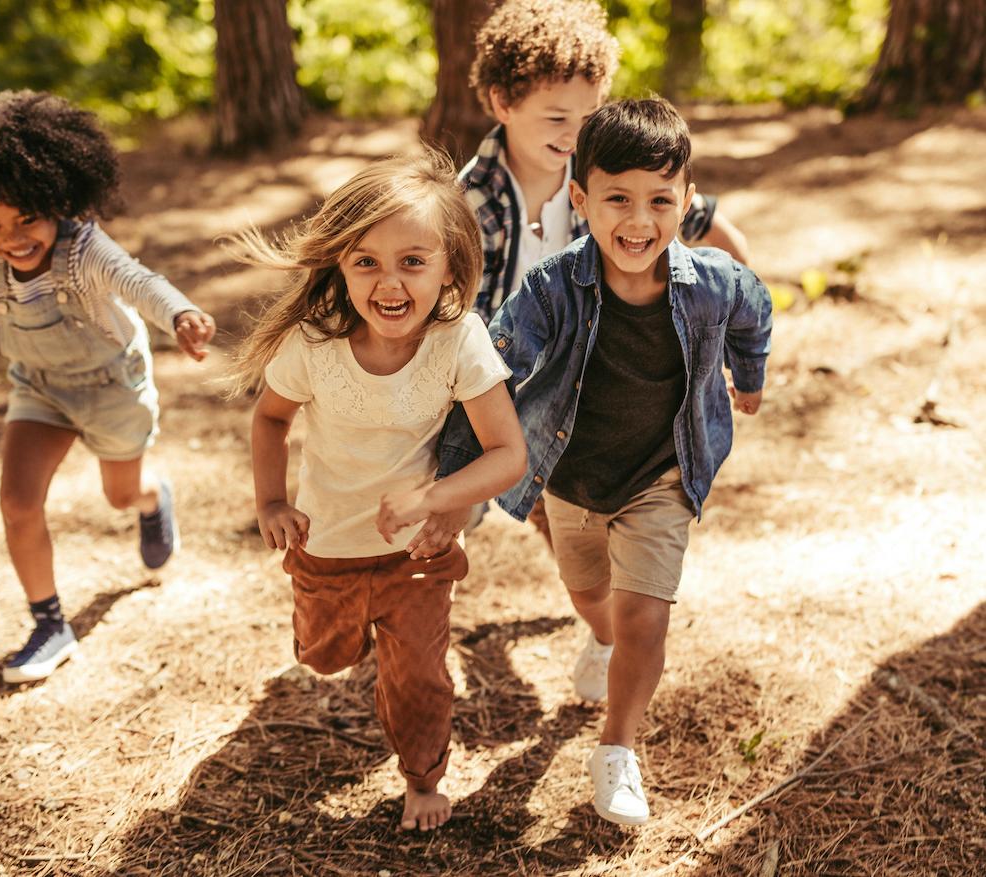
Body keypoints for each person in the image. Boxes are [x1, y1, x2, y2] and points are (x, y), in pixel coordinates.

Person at [437, 98, 773, 825]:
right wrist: (444, 486)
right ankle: (596, 636)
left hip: (662, 477)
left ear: (686, 202)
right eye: (616, 198)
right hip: (571, 479)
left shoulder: (712, 282)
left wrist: (748, 374)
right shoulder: (551, 289)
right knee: (594, 599)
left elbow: (755, 306)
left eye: (659, 200)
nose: (638, 220)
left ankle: (616, 748)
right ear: (581, 199)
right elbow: (489, 377)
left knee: (644, 615)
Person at [233, 151, 526, 831]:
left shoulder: (459, 341)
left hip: (415, 556)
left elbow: (507, 454)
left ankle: (422, 777)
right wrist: (271, 503)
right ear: (338, 264)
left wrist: (435, 501)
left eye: (412, 262)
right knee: (323, 656)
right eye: (366, 261)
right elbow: (270, 418)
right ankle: (358, 638)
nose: (388, 282)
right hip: (326, 545)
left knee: (418, 673)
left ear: (448, 267)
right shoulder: (313, 344)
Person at [0, 90, 216, 684]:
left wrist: (180, 315)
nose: (12, 238)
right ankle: (50, 623)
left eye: (26, 218)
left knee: (120, 494)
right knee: (17, 503)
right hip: (41, 389)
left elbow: (137, 281)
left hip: (113, 384)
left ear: (57, 200)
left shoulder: (84, 247)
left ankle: (150, 499)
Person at [463, 0, 750, 327]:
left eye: (588, 116)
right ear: (503, 103)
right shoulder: (471, 203)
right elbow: (465, 328)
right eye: (556, 118)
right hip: (507, 371)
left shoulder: (607, 169)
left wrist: (737, 333)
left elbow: (719, 232)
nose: (575, 134)